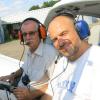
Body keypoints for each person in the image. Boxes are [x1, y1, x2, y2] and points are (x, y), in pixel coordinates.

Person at [42, 11, 100, 100]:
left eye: (63, 34)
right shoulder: (62, 62)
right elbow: (49, 94)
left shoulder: (96, 60)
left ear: (78, 30)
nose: (60, 43)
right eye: (55, 39)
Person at [0, 17, 58, 100]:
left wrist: (31, 95)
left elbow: (56, 83)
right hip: (17, 93)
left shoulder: (51, 54)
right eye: (24, 34)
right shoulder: (30, 51)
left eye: (31, 33)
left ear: (41, 33)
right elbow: (24, 67)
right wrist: (12, 75)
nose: (27, 37)